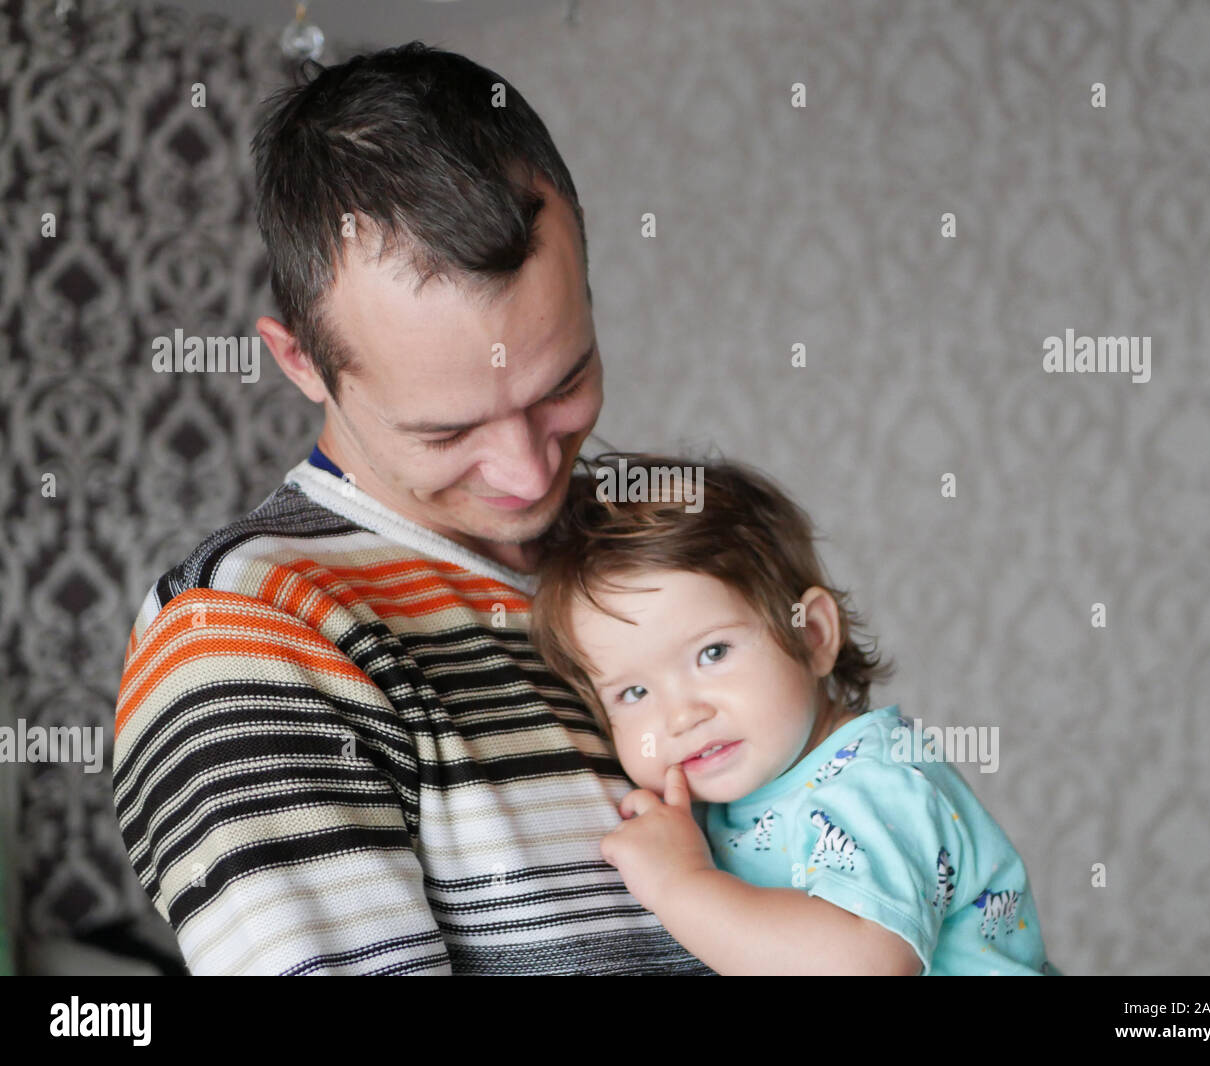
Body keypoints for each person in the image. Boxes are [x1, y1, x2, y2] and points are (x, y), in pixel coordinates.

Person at [111, 43, 712, 975]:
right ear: (302, 362)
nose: (525, 471)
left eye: (567, 382)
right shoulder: (248, 637)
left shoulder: (658, 547)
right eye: (446, 431)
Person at [528, 453, 1062, 975]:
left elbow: (861, 966)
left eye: (712, 653)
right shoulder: (727, 801)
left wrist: (682, 882)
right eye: (634, 692)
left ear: (813, 636)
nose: (682, 715)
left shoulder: (876, 780)